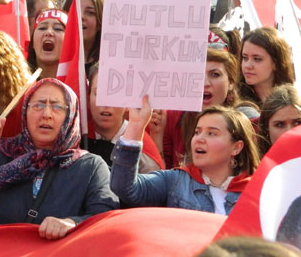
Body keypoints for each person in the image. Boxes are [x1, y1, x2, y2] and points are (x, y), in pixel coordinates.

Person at [0, 78, 119, 239]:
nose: (46, 114)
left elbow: (105, 220)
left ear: (71, 116)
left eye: (57, 106)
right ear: (25, 112)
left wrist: (72, 223)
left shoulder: (90, 167)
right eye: (38, 105)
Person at [111, 104, 259, 214]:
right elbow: (124, 188)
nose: (199, 139)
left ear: (236, 147)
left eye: (212, 133)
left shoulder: (260, 191)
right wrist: (136, 125)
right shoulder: (175, 181)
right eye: (197, 132)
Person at [160, 39, 242, 169]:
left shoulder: (245, 122)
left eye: (215, 74)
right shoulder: (172, 118)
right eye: (197, 75)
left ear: (231, 83)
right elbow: (161, 178)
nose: (204, 83)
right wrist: (156, 135)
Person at [87, 64, 164, 172]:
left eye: (114, 94)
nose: (106, 103)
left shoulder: (145, 157)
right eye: (99, 94)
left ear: (128, 102)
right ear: (88, 97)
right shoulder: (76, 139)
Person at [240, 27, 295, 104]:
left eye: (257, 59)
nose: (247, 65)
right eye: (245, 58)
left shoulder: (292, 101)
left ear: (276, 63)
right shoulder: (232, 99)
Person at [259, 84, 301, 155]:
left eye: (297, 123)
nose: (289, 131)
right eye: (279, 125)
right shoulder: (258, 165)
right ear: (266, 127)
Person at [63, 0, 103, 68]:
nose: (81, 16)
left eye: (90, 13)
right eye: (75, 10)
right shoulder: (55, 61)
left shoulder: (106, 65)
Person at [27, 9, 67, 79]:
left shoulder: (81, 86)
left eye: (58, 29)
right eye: (42, 28)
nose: (48, 32)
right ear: (32, 42)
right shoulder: (17, 83)